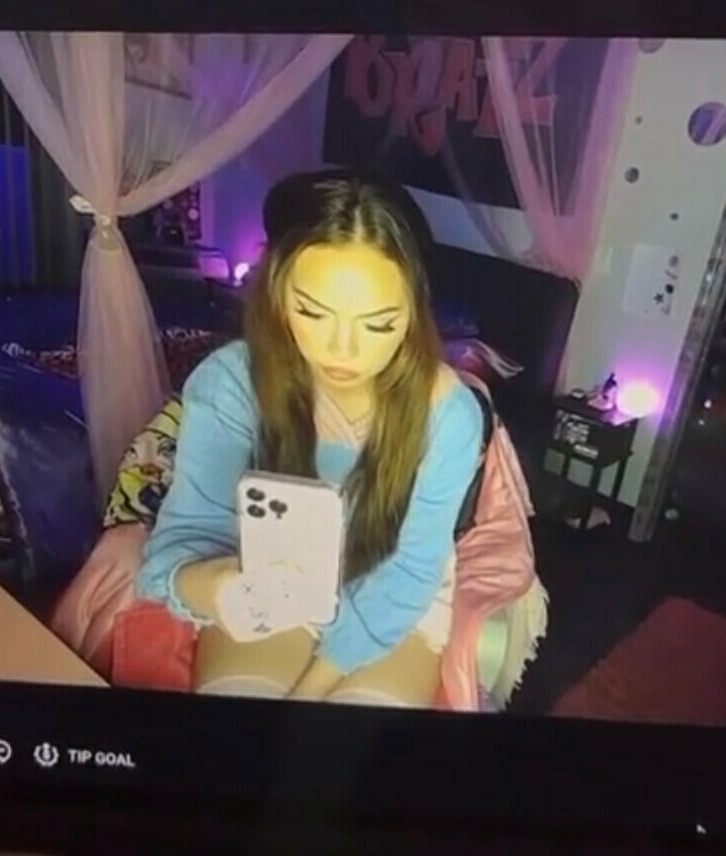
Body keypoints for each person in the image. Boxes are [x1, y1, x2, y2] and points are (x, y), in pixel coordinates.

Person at [136, 170, 484, 707]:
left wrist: (307, 694)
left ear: (414, 312)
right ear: (278, 293)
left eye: (378, 324)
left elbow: (408, 574)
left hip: (391, 599)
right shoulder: (231, 383)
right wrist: (219, 588)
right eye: (312, 312)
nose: (343, 349)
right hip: (270, 582)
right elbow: (177, 547)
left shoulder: (448, 415)